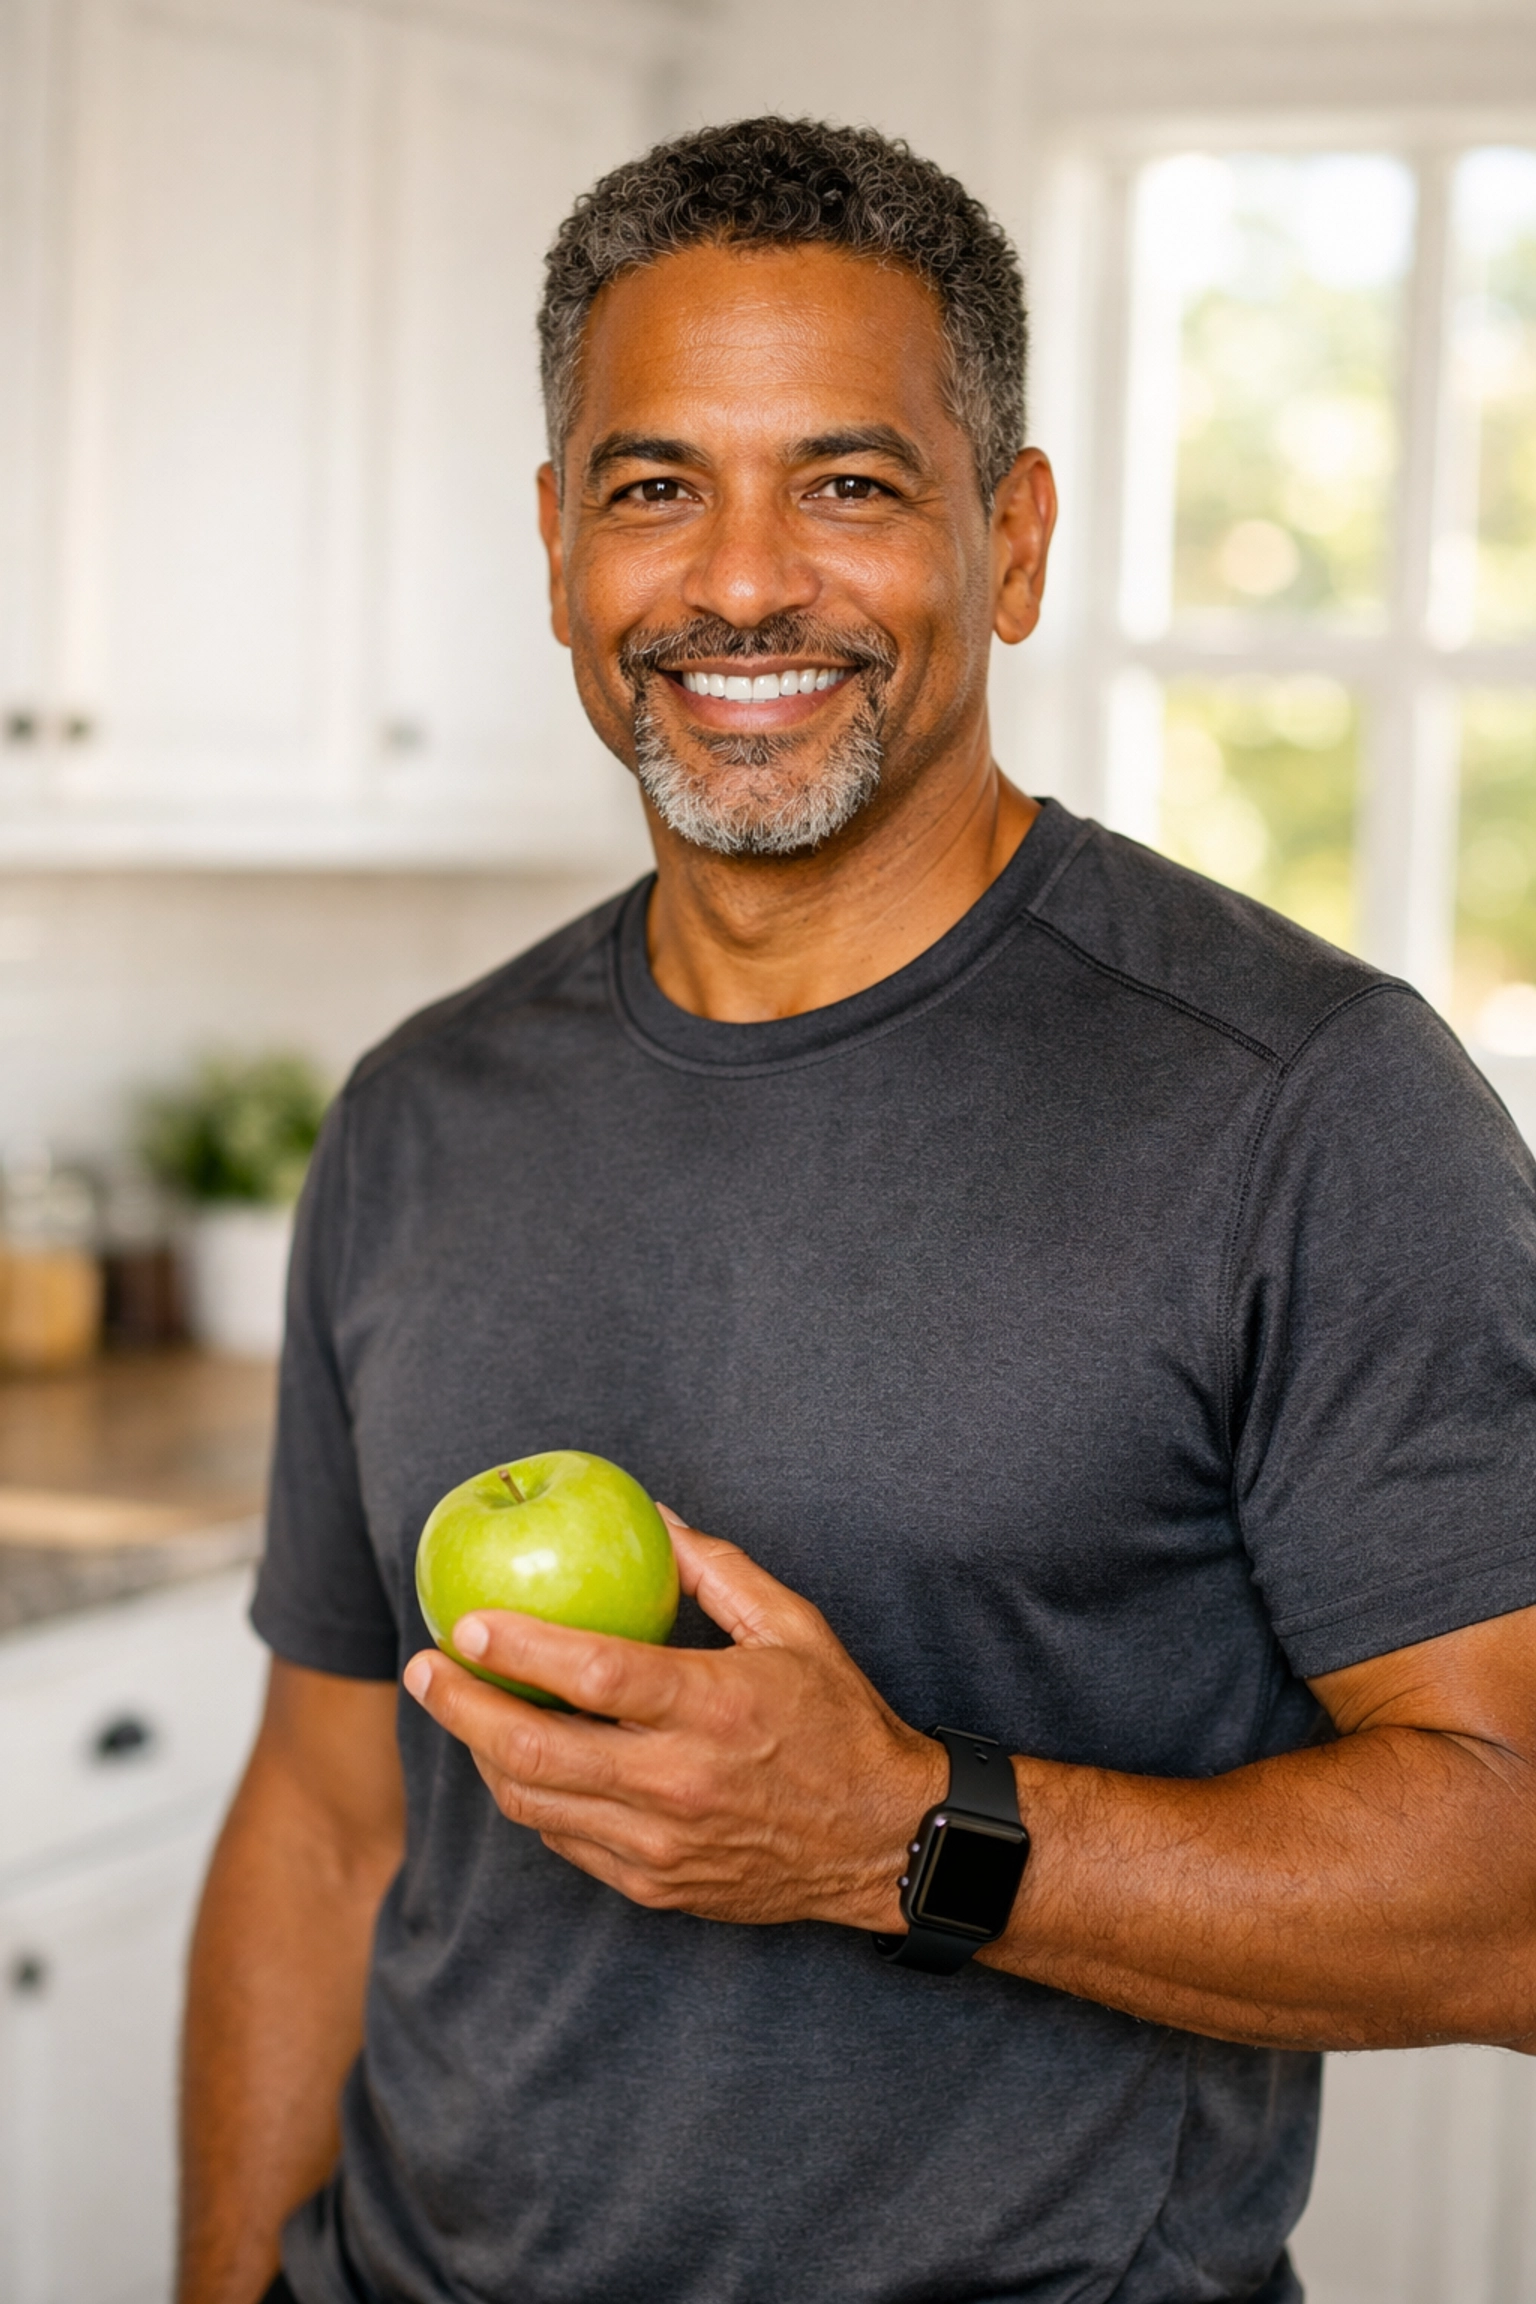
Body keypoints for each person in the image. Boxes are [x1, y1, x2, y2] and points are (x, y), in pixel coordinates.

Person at [178, 118, 1536, 2304]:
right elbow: (330, 1822)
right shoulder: (421, 1113)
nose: (735, 583)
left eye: (848, 482)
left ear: (1013, 539)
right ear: (553, 548)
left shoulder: (1305, 1107)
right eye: (652, 488)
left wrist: (903, 1832)